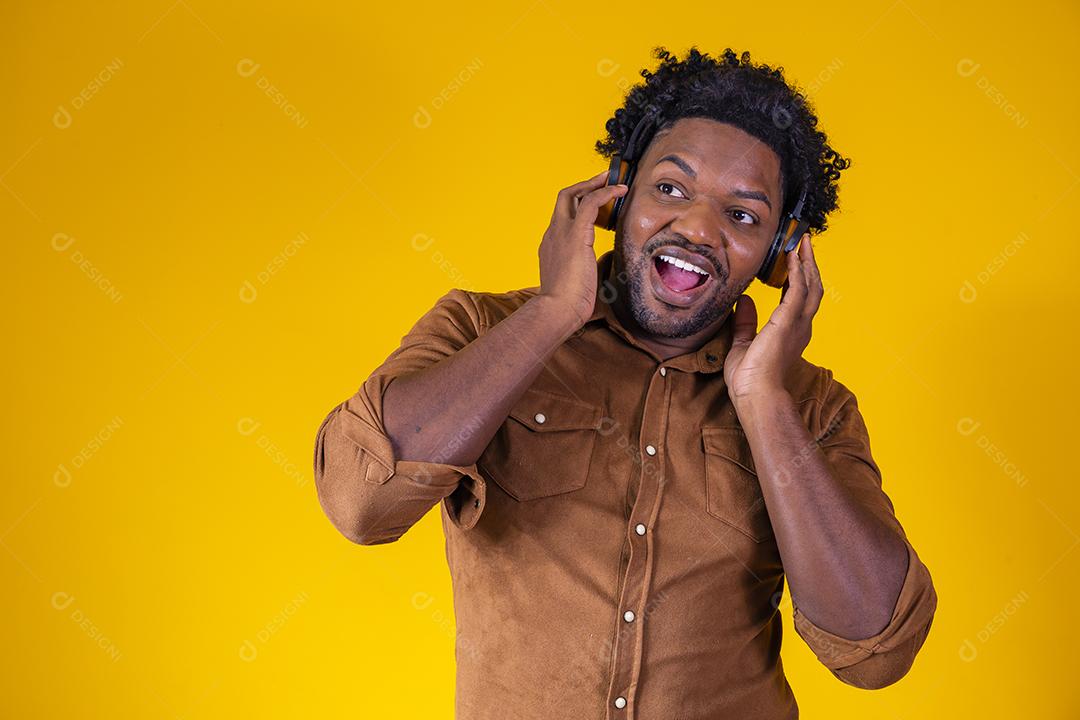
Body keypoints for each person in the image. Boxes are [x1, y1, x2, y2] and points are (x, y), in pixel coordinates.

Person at [313, 46, 937, 720]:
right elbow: (360, 502)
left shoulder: (812, 407)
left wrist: (764, 405)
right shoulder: (478, 328)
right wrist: (552, 312)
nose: (697, 228)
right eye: (670, 188)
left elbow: (877, 651)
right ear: (614, 194)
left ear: (781, 256)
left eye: (743, 216)